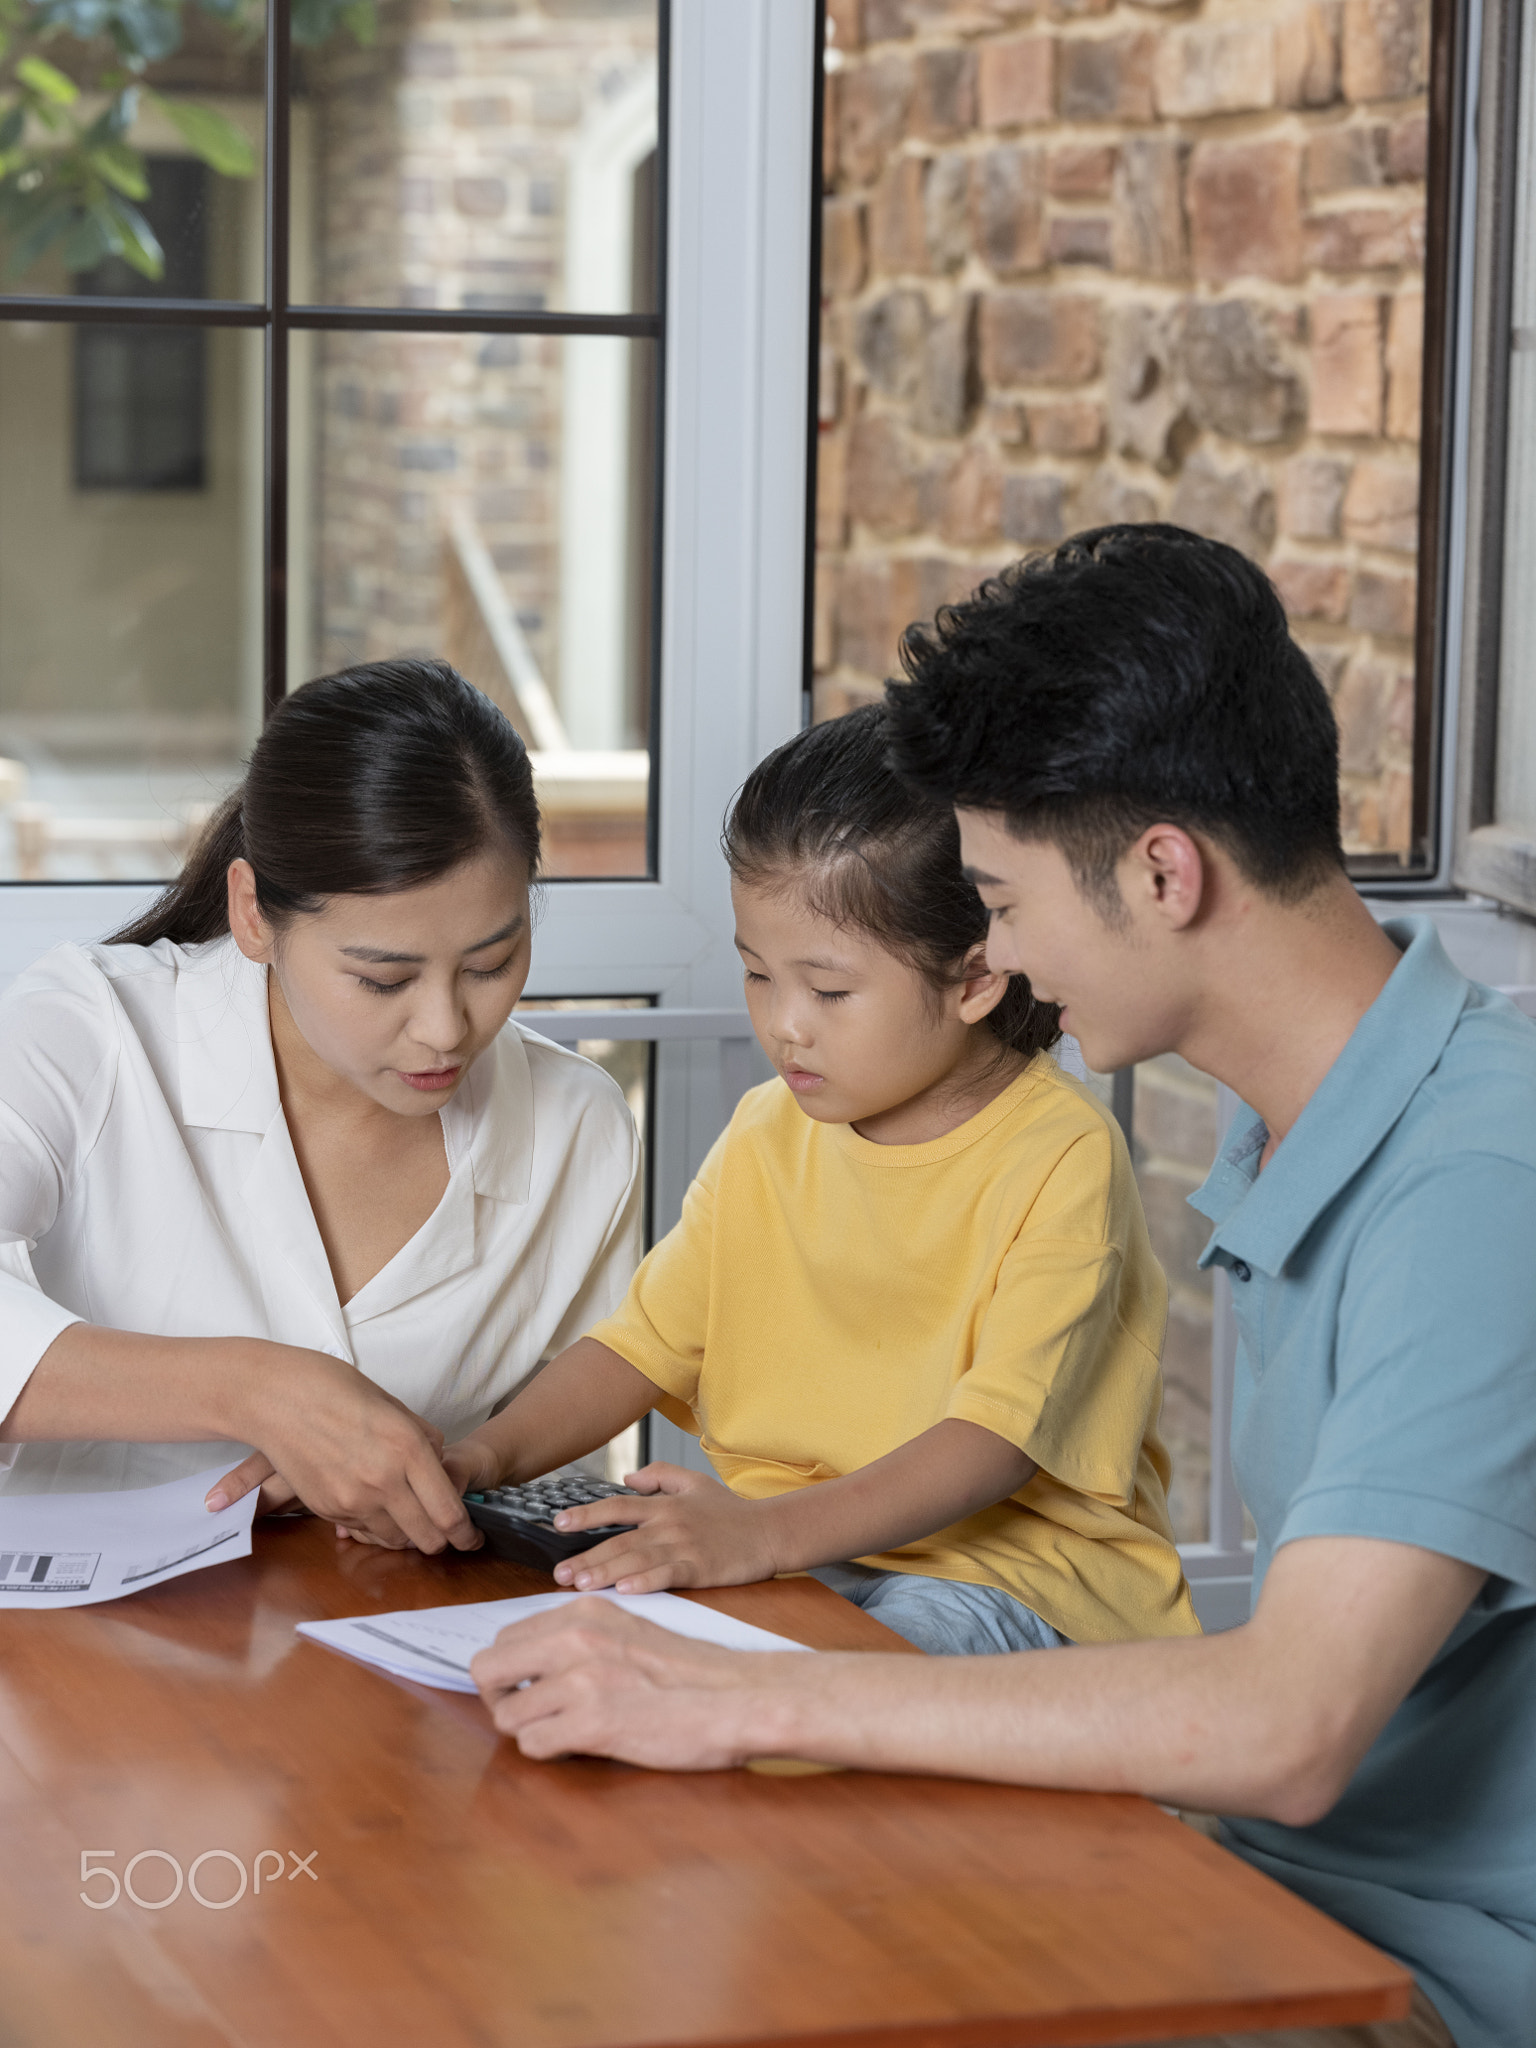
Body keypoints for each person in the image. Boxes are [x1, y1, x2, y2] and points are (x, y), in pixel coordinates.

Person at [468, 529, 1536, 2048]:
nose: (1007, 963)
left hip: (1430, 1967)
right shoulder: (1317, 1120)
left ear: (1163, 873)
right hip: (1255, 1880)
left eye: (1006, 900)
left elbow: (1291, 1728)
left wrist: (732, 1696)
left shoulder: (1481, 1176)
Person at [438, 706, 1198, 1657]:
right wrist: (480, 1458)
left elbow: (994, 1442)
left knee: (822, 1701)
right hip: (796, 1554)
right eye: (759, 975)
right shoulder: (769, 1130)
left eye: (829, 991)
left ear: (972, 980)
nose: (785, 1024)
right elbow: (643, 1347)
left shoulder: (1061, 1154)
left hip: (1006, 1575)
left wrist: (760, 1534)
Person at [0, 660, 640, 1552]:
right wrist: (253, 1389)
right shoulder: (91, 1028)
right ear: (254, 913)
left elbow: (566, 1445)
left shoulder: (578, 1128)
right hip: (73, 1651)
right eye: (384, 977)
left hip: (379, 1646)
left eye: (491, 964)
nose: (446, 1029)